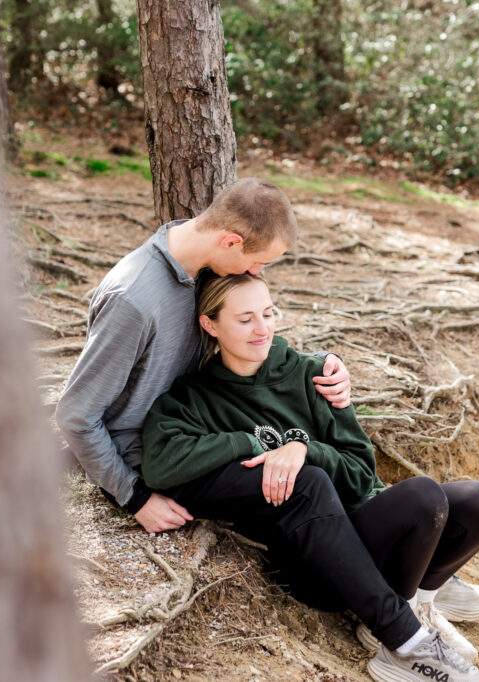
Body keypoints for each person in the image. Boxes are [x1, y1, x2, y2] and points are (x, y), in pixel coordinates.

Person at [141, 273, 479, 682]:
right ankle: (400, 639)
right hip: (315, 560)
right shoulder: (196, 398)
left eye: (267, 313)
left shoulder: (315, 375)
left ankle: (419, 601)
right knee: (421, 495)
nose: (262, 329)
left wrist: (305, 449)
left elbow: (360, 474)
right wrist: (249, 442)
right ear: (210, 324)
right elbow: (160, 464)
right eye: (245, 319)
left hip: (369, 527)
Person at [55, 178, 352, 534]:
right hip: (155, 459)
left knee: (327, 473)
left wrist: (325, 363)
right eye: (258, 262)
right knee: (308, 486)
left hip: (204, 429)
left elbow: (246, 332)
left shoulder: (206, 267)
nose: (257, 273)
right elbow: (76, 415)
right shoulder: (133, 301)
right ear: (231, 241)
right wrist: (135, 498)